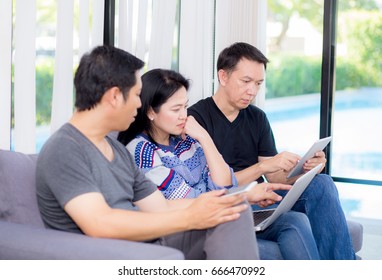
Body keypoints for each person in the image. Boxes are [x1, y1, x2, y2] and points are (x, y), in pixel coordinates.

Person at [35, 45, 259, 260]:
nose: (139, 106)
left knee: (232, 215)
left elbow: (159, 206)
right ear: (114, 96)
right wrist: (189, 218)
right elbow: (99, 223)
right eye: (136, 95)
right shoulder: (65, 149)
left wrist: (226, 201)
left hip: (146, 245)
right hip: (110, 255)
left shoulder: (116, 151)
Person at [118, 68, 320, 260]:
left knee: (295, 220)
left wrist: (204, 138)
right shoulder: (141, 151)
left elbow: (225, 183)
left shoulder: (185, 140)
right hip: (189, 229)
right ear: (151, 112)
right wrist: (246, 196)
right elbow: (194, 200)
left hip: (221, 218)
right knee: (277, 254)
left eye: (186, 107)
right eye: (176, 109)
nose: (184, 115)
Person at [188, 42, 356, 260]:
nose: (253, 91)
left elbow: (275, 176)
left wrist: (305, 169)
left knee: (322, 183)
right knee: (295, 221)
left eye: (258, 83)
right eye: (246, 81)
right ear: (223, 77)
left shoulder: (256, 117)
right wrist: (263, 167)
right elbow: (214, 185)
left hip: (263, 199)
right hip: (237, 202)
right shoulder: (197, 120)